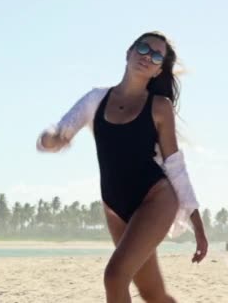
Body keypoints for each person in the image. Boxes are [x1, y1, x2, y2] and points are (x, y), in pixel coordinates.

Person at [37, 31, 208, 303]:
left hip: (155, 198)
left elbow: (176, 166)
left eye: (156, 56)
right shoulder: (96, 99)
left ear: (158, 70)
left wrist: (197, 226)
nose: (146, 57)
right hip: (114, 207)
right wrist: (51, 140)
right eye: (143, 48)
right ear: (128, 52)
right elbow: (62, 131)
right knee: (154, 294)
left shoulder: (159, 107)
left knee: (115, 276)